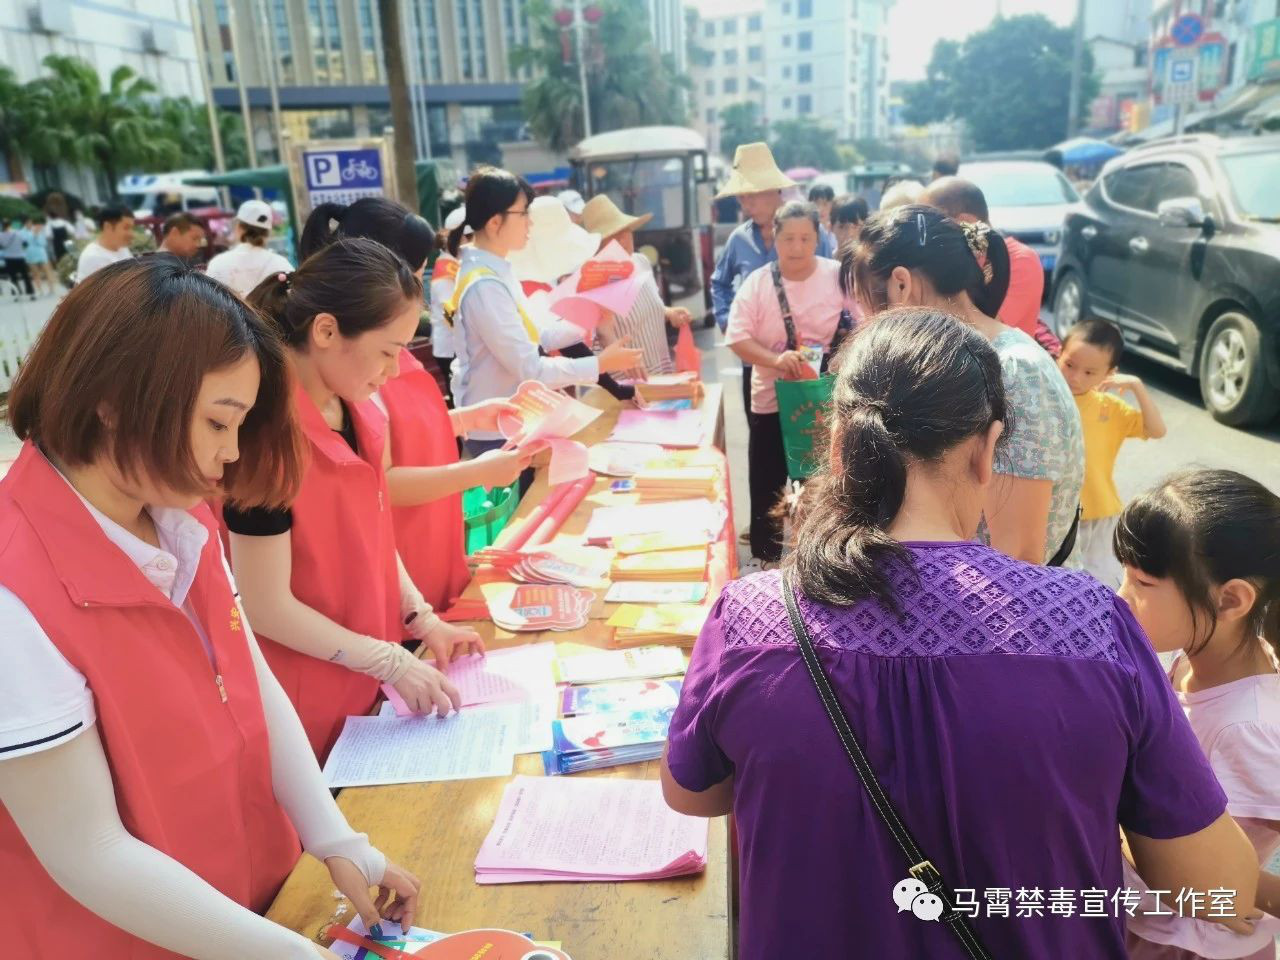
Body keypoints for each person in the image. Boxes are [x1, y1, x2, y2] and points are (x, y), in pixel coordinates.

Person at [661, 307, 1259, 959]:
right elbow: (1221, 890)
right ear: (986, 449)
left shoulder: (749, 617)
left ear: (838, 448)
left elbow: (691, 791)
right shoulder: (1092, 625)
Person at [0, 257, 419, 959]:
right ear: (112, 400)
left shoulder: (179, 521)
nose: (229, 455)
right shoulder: (15, 590)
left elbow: (251, 680)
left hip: (248, 909)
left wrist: (336, 839)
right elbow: (89, 852)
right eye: (217, 423)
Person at [227, 237, 478, 760]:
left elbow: (374, 533)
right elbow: (266, 606)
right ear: (325, 330)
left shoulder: (357, 409)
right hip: (306, 692)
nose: (394, 370)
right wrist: (389, 661)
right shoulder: (264, 439)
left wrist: (420, 618)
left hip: (365, 673)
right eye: (387, 352)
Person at [298, 196, 529, 613]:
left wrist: (467, 418)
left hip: (431, 546)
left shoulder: (382, 345)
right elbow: (380, 479)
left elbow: (402, 431)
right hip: (404, 562)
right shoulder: (356, 364)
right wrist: (477, 471)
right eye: (417, 271)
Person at [846, 206, 1084, 565]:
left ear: (901, 284)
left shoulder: (1016, 373)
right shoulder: (954, 362)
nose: (867, 323)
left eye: (867, 307)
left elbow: (1019, 558)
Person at [1115, 470, 1280, 960]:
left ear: (1230, 599)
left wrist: (1249, 893)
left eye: (1142, 582)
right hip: (1144, 916)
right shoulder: (1189, 659)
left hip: (1190, 944)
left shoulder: (1249, 726)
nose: (1121, 596)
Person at [444, 166, 641, 459]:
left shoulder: (496, 273)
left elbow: (538, 334)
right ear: (495, 222)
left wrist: (588, 318)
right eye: (523, 213)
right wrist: (599, 363)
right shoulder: (485, 286)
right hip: (497, 432)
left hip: (510, 423)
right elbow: (530, 368)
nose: (530, 223)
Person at [726, 201, 855, 565]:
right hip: (771, 395)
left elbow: (864, 324)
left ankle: (816, 557)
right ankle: (767, 558)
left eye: (805, 238)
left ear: (818, 237)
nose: (797, 247)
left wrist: (836, 363)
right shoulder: (757, 283)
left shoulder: (838, 276)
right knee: (767, 477)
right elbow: (737, 336)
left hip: (823, 392)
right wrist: (775, 360)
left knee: (820, 479)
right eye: (788, 238)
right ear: (775, 237)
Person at [1057, 319, 1166, 587]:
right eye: (1069, 365)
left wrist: (1137, 386)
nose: (1076, 377)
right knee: (1056, 579)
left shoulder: (1110, 408)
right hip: (1056, 510)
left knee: (1099, 581)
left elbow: (1156, 430)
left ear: (1109, 373)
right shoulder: (1047, 397)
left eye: (1090, 372)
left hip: (1099, 514)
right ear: (1059, 354)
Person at [924, 176, 1052, 346]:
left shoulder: (1020, 260)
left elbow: (979, 335)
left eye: (927, 225)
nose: (922, 235)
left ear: (964, 222)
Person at [583, 193, 693, 380]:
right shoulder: (594, 279)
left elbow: (647, 304)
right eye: (613, 236)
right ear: (597, 245)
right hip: (627, 376)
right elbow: (602, 332)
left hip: (660, 367)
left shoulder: (641, 261)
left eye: (625, 231)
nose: (623, 240)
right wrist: (625, 360)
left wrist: (668, 312)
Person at [206, 200, 293, 296]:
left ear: (238, 227)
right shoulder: (281, 263)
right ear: (268, 232)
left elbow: (209, 298)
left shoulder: (218, 263)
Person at [430, 205, 468, 393]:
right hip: (451, 348)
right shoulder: (446, 269)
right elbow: (449, 311)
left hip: (457, 346)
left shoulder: (455, 263)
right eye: (469, 237)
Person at [75, 205, 134, 283]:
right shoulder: (93, 257)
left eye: (131, 228)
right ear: (107, 227)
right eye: (126, 228)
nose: (132, 234)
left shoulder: (122, 248)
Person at [1, 217, 34, 297]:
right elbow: (25, 244)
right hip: (20, 257)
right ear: (10, 224)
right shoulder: (18, 233)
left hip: (8, 258)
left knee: (13, 276)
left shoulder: (0, 235)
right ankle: (31, 293)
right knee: (25, 276)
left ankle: (16, 293)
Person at [24, 217, 56, 296]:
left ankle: (51, 289)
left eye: (31, 223)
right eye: (28, 223)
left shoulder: (39, 232)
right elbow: (24, 244)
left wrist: (37, 235)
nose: (30, 225)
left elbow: (43, 243)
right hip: (31, 255)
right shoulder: (23, 233)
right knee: (35, 273)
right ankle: (40, 291)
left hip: (41, 254)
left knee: (47, 272)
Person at [806, 182, 838, 252]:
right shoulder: (805, 230)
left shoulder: (837, 229)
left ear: (832, 205)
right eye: (816, 204)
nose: (820, 209)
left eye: (825, 204)